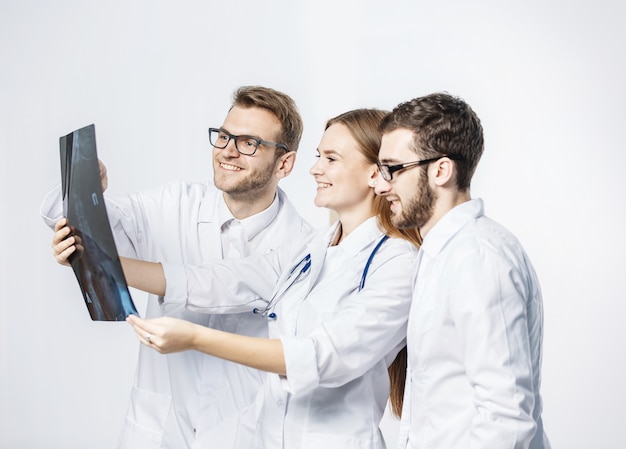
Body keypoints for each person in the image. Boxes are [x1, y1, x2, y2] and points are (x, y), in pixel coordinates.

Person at [53, 108, 422, 448]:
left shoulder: (397, 263)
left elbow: (321, 357)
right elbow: (216, 281)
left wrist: (196, 337)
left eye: (330, 159)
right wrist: (94, 260)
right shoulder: (312, 247)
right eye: (318, 157)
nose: (316, 169)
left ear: (375, 173)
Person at [43, 86, 312, 449]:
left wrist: (105, 260)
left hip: (244, 435)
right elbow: (103, 221)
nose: (228, 151)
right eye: (224, 136)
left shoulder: (303, 246)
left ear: (285, 163)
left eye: (249, 142)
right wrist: (86, 196)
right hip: (157, 431)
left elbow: (212, 285)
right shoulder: (176, 205)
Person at [373, 92, 550, 449]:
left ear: (441, 170)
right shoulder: (440, 254)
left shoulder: (479, 259)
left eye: (393, 169)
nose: (381, 184)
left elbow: (508, 418)